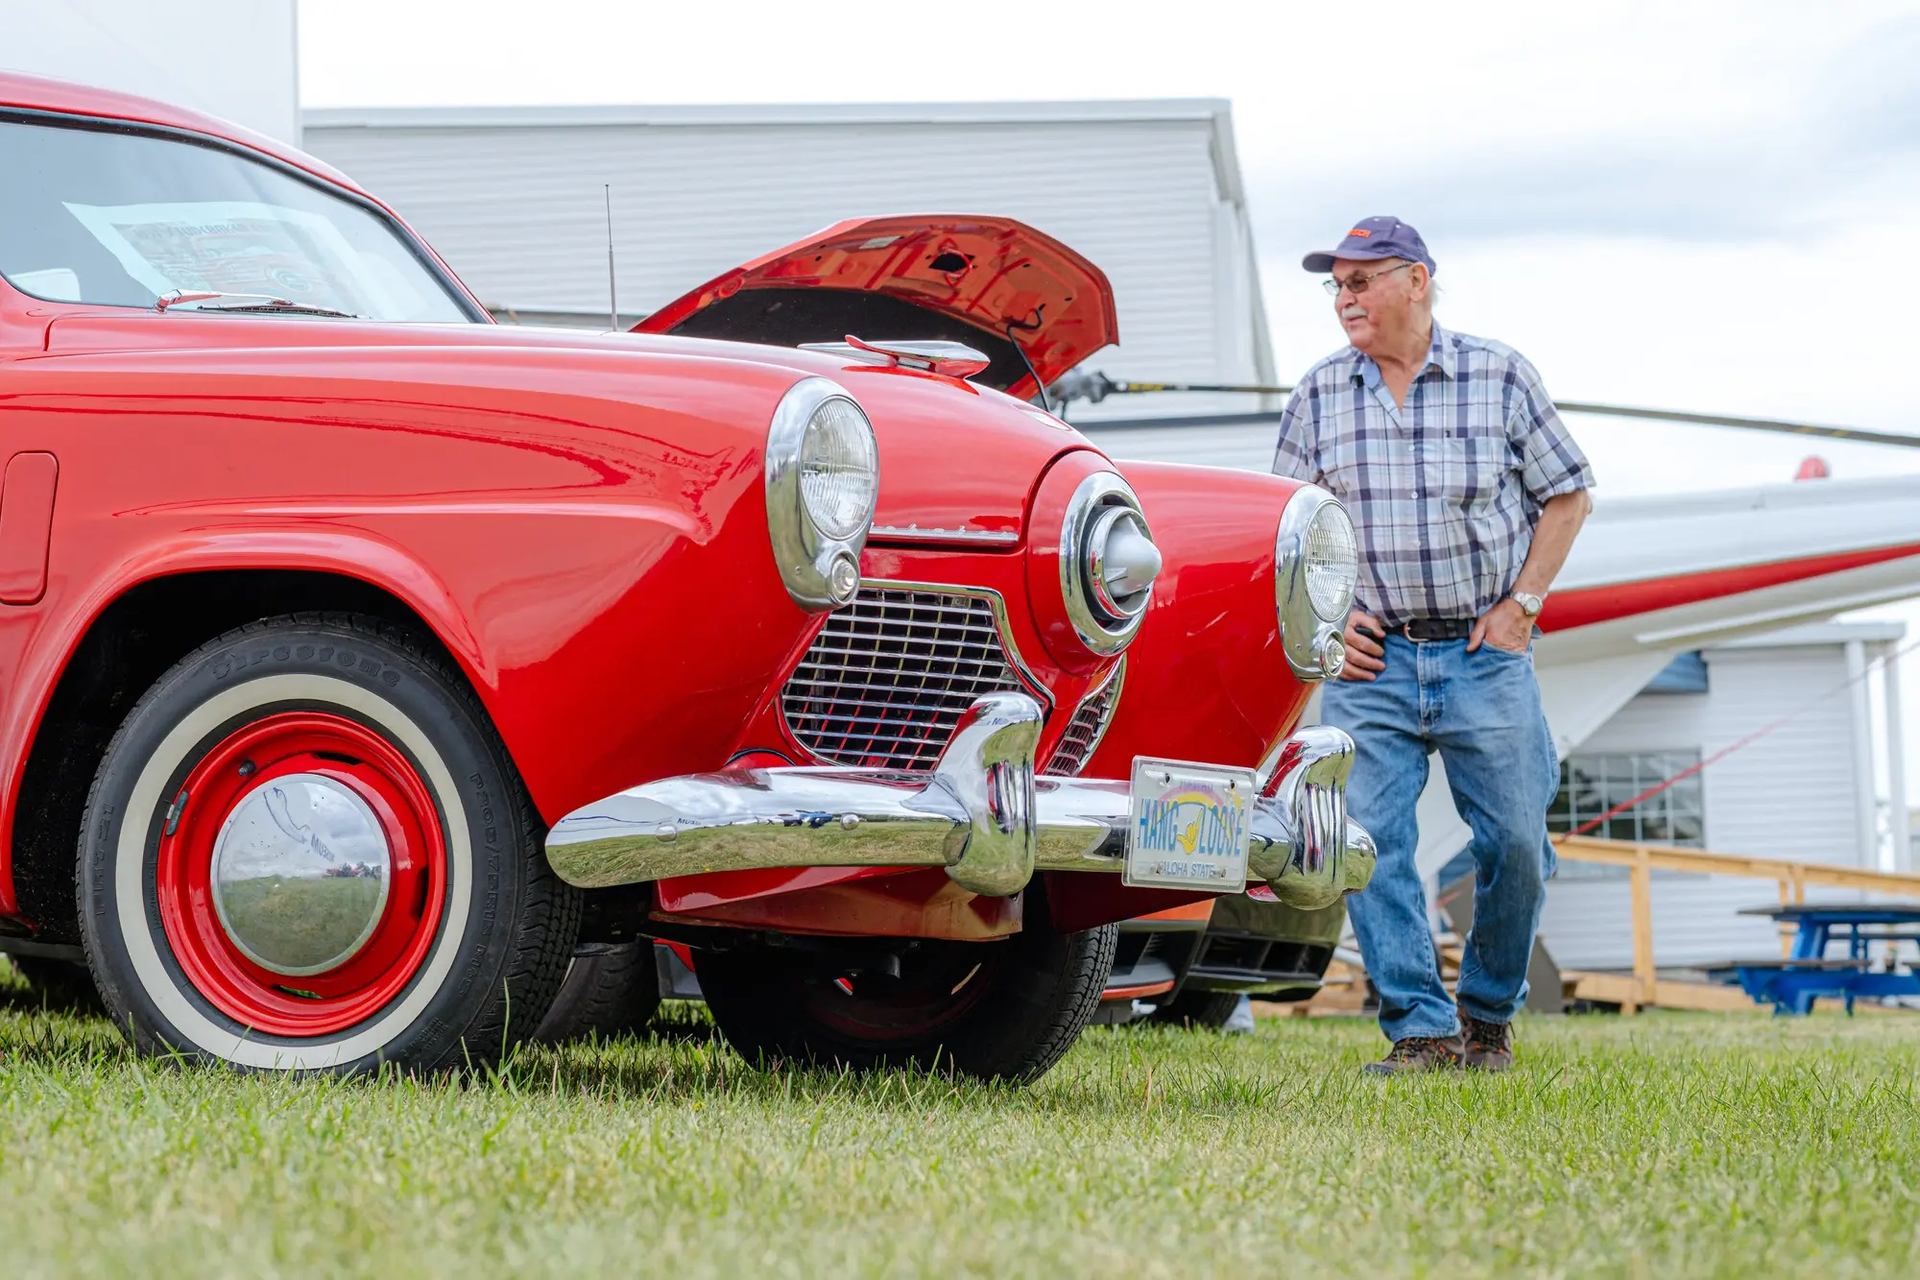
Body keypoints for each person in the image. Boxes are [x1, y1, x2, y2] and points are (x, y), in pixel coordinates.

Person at [1272, 217, 1594, 1075]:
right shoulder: (1316, 396)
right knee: (1367, 845)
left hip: (1485, 656)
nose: (1344, 300)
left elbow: (1568, 497)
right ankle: (1420, 1028)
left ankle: (1487, 1014)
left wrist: (1523, 605)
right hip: (1373, 665)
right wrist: (1333, 628)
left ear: (1416, 281)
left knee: (1517, 844)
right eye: (1335, 286)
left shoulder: (1499, 376)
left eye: (1360, 282)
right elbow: (1290, 529)